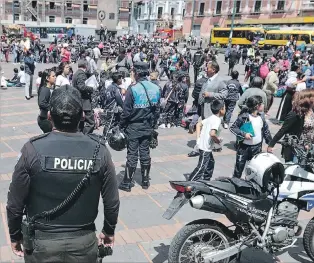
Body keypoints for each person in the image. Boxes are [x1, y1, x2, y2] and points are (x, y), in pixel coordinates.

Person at [7, 85, 119, 263]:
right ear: (82, 116)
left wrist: (15, 235)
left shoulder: (32, 149)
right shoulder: (101, 152)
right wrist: (109, 230)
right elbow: (112, 202)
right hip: (84, 244)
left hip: (41, 246)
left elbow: (14, 204)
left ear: (50, 116)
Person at [119, 62, 161, 192]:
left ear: (136, 73)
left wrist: (121, 126)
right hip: (148, 126)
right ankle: (145, 181)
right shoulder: (155, 88)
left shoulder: (133, 89)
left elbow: (126, 112)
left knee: (132, 154)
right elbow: (157, 110)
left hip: (134, 126)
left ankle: (127, 182)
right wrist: (153, 125)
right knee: (145, 153)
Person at [230, 96, 272, 178]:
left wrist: (270, 143)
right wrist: (243, 134)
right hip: (243, 148)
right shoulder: (244, 117)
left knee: (254, 168)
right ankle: (235, 183)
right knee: (239, 168)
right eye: (262, 104)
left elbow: (266, 131)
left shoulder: (261, 117)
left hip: (256, 148)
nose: (264, 105)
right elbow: (233, 128)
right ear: (257, 106)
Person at [268, 90, 314, 162]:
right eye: (312, 97)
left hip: (310, 146)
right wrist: (271, 144)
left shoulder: (311, 110)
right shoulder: (295, 113)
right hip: (297, 148)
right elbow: (283, 129)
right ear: (307, 99)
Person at [188, 100, 225, 181]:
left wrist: (198, 138)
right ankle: (189, 183)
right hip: (205, 148)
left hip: (203, 145)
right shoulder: (217, 120)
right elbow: (212, 133)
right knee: (201, 167)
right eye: (224, 108)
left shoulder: (211, 118)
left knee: (211, 163)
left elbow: (198, 124)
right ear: (221, 109)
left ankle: (206, 180)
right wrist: (217, 140)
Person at [72, 59, 95, 134]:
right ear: (85, 66)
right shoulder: (81, 74)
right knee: (90, 122)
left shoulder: (76, 73)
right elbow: (81, 87)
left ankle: (79, 135)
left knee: (80, 122)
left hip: (78, 100)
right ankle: (85, 135)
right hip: (84, 101)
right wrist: (92, 88)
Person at [100, 72, 124, 139]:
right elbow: (119, 99)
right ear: (118, 79)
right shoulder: (116, 89)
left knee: (114, 123)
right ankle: (104, 137)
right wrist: (124, 106)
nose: (122, 80)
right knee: (110, 123)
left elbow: (104, 97)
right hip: (113, 108)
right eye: (121, 78)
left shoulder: (109, 87)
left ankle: (114, 136)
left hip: (108, 107)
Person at [37, 69, 56, 133]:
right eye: (53, 76)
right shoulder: (45, 90)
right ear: (47, 78)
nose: (55, 78)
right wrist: (53, 108)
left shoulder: (48, 89)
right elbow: (41, 103)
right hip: (45, 119)